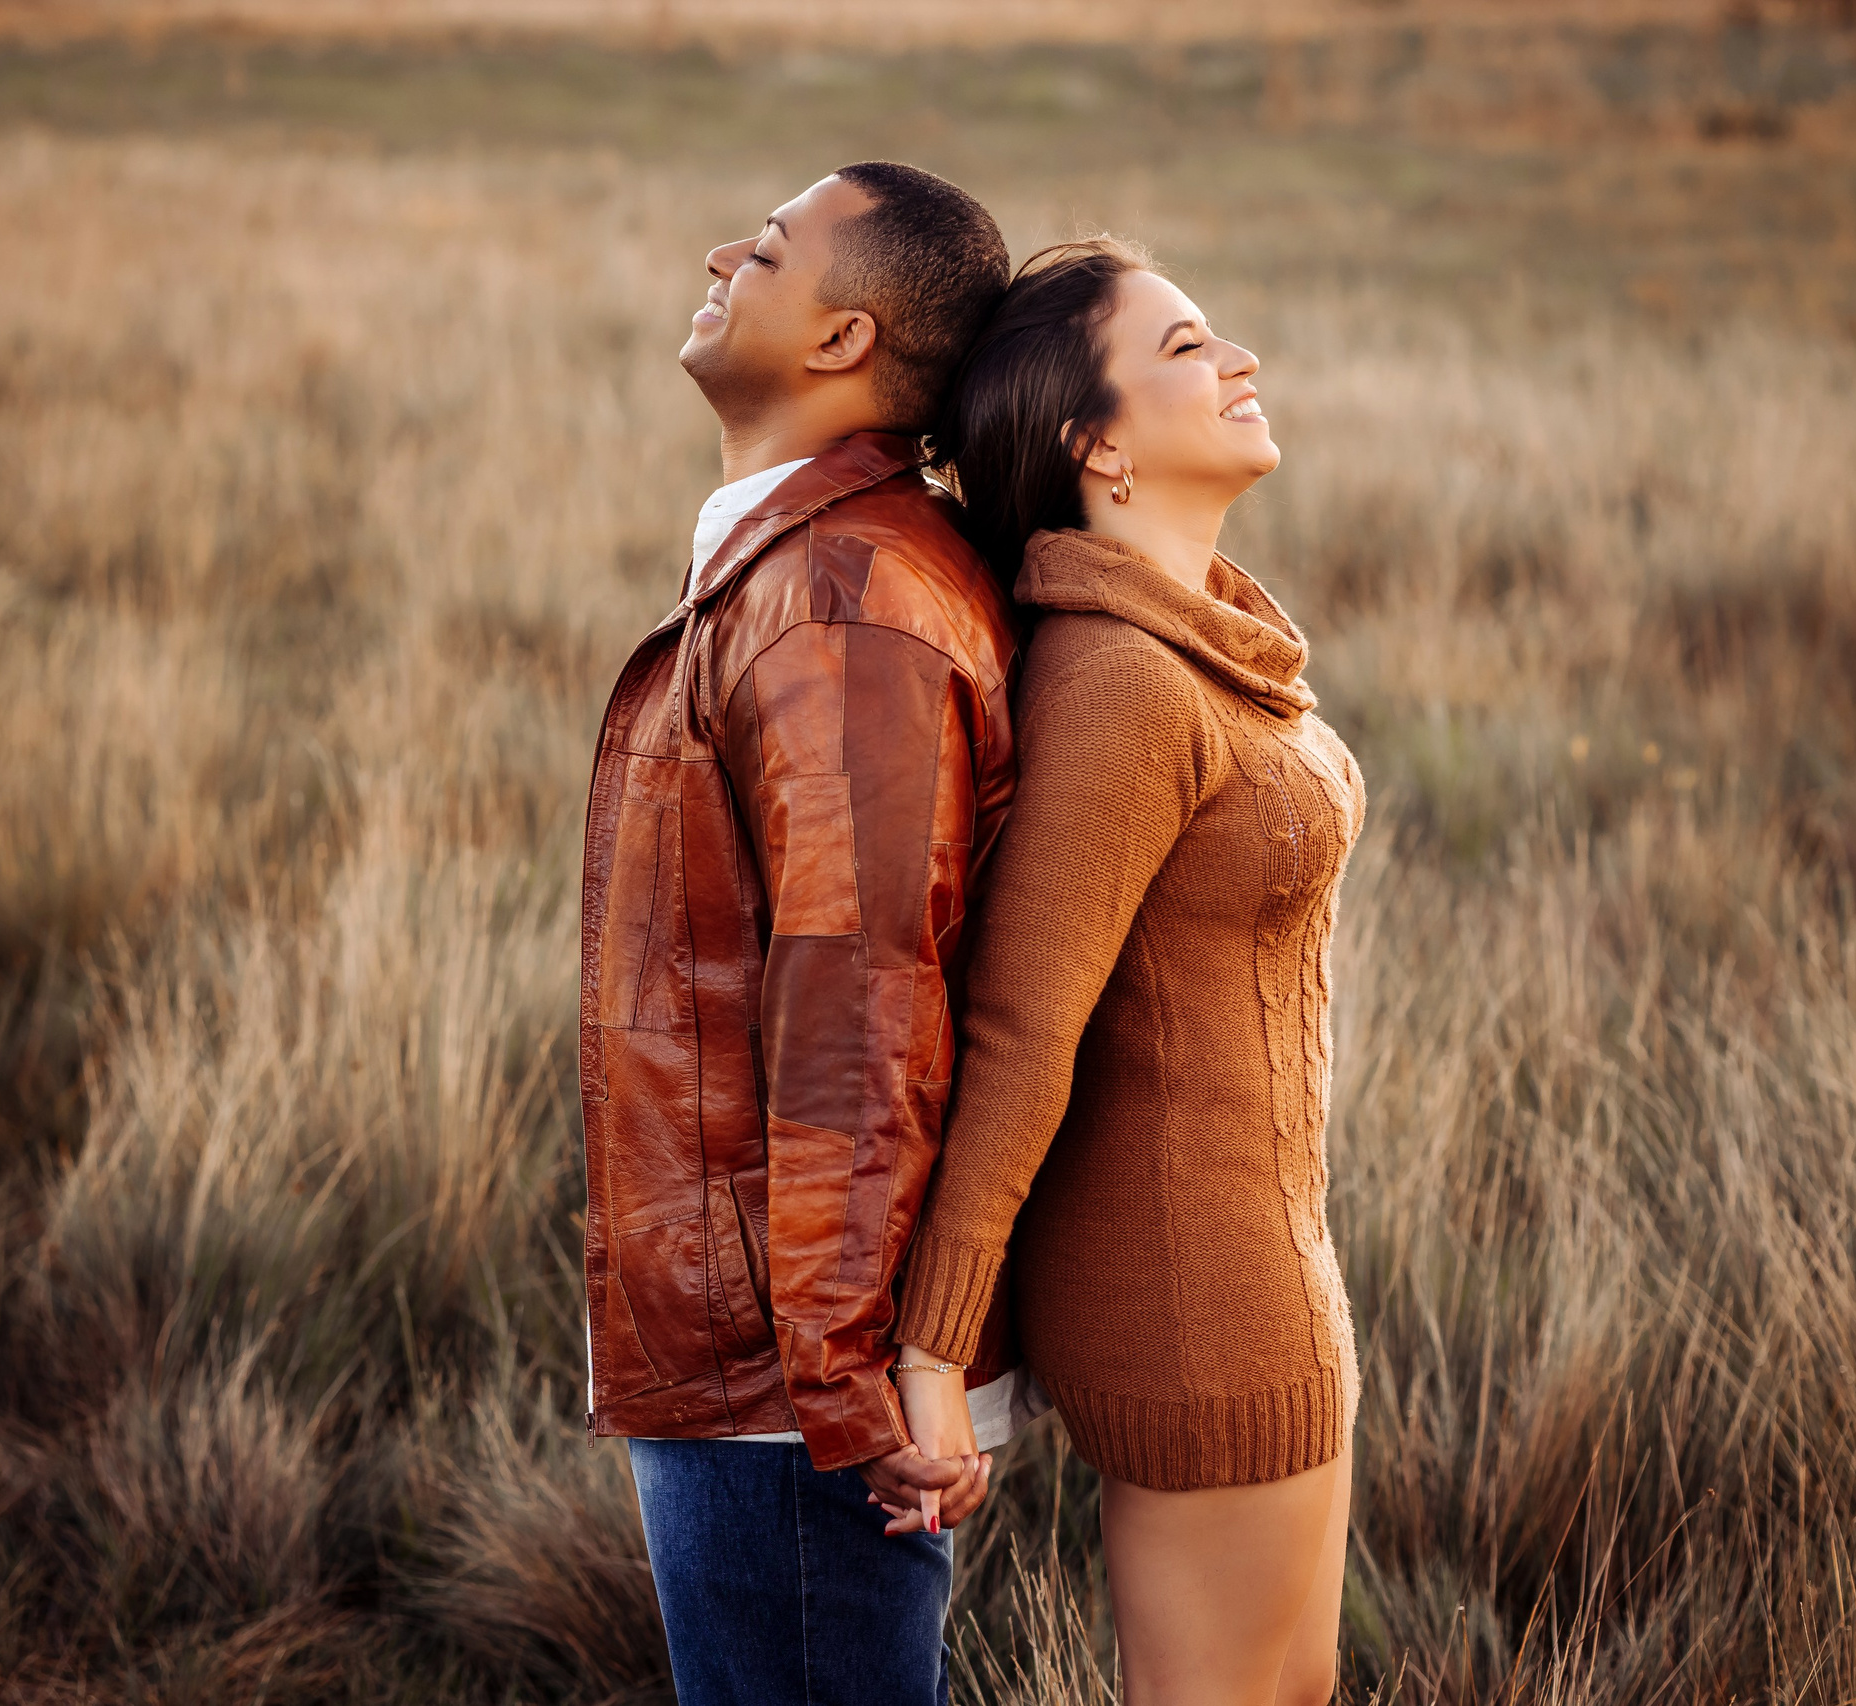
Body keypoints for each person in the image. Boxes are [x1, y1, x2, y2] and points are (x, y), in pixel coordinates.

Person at [576, 162, 1046, 1706]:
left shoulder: (842, 601)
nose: (723, 251)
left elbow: (861, 1014)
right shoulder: (801, 564)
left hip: (786, 1383)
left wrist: (844, 1389)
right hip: (772, 1347)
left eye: (767, 248)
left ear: (846, 339)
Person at [893, 239, 1368, 1706]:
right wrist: (933, 1351)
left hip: (1276, 1282)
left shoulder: (1205, 637)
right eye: (1184, 348)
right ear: (1092, 442)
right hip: (1189, 1312)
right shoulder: (1119, 681)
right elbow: (1022, 1028)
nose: (1239, 363)